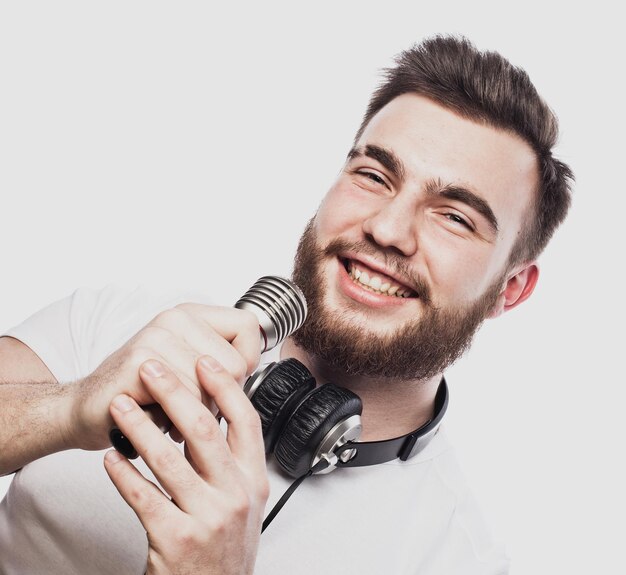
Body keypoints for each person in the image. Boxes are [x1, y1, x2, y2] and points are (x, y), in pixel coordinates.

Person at [0, 34, 573, 574]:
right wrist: (68, 409)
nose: (388, 230)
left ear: (511, 289)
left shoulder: (454, 559)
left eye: (454, 216)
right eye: (373, 175)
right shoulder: (125, 321)